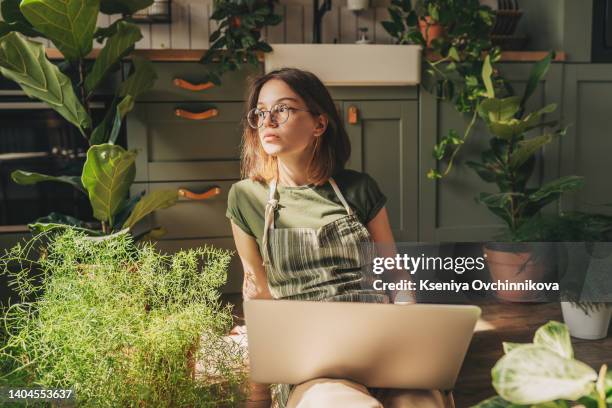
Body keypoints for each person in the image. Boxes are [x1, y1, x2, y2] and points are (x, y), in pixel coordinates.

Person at [226, 68, 445, 408]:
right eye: (260, 112)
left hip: (379, 344)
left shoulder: (358, 188)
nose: (268, 120)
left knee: (421, 402)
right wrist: (259, 395)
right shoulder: (247, 198)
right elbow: (257, 293)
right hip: (308, 364)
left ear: (319, 123)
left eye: (282, 109)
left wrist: (409, 340)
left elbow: (394, 274)